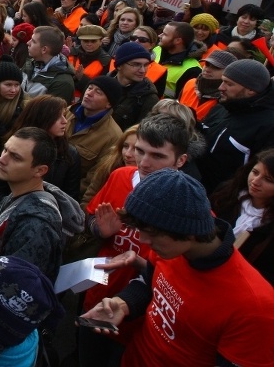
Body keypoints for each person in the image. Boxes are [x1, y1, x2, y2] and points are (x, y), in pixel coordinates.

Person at [80, 169, 274, 367]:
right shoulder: (170, 249)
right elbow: (150, 280)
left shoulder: (255, 307)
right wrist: (123, 303)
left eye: (151, 234)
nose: (142, 240)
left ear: (190, 233)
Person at [78, 114, 191, 364]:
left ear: (181, 160)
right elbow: (90, 220)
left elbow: (184, 275)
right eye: (140, 151)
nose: (144, 162)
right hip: (98, 294)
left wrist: (139, 262)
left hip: (142, 318)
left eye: (158, 156)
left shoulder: (187, 205)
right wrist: (100, 230)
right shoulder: (120, 176)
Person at [0, 127, 84, 280]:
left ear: (40, 170)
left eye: (15, 157)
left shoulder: (38, 225)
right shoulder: (21, 195)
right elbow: (8, 222)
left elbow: (8, 280)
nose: (1, 159)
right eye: (5, 150)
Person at [198, 59, 274, 193]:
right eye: (222, 81)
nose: (221, 87)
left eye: (229, 84)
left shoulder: (268, 125)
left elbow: (260, 173)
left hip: (226, 202)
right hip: (198, 188)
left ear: (251, 89)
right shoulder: (222, 107)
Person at [210, 149, 274, 285]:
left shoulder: (269, 227)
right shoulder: (225, 195)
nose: (256, 181)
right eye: (255, 172)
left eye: (268, 180)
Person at [14, 95, 82, 201]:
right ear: (42, 117)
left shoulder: (70, 154)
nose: (65, 121)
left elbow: (70, 198)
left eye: (64, 115)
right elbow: (0, 187)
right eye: (58, 117)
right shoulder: (15, 145)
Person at [66, 75, 124, 195]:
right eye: (89, 88)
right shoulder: (67, 112)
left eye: (98, 92)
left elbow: (94, 179)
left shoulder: (113, 136)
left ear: (108, 104)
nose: (89, 93)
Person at [107, 42, 159, 130]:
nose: (142, 70)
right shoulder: (103, 84)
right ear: (119, 65)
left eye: (146, 65)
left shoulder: (149, 99)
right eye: (136, 64)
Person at [178, 49, 236, 122]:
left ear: (229, 73)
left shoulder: (228, 97)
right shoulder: (190, 83)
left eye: (216, 67)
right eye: (207, 64)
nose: (207, 69)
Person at [23, 25, 76, 102]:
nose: (28, 43)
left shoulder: (62, 83)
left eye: (33, 41)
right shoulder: (31, 63)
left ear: (44, 49)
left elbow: (47, 112)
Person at [153, 21, 203, 99]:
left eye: (165, 34)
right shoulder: (157, 49)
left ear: (178, 41)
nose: (160, 35)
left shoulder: (193, 70)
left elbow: (183, 102)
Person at [69, 24, 111, 101]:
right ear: (80, 41)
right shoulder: (71, 53)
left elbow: (102, 89)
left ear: (101, 41)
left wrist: (81, 78)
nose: (89, 44)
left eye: (93, 41)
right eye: (85, 41)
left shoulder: (106, 60)